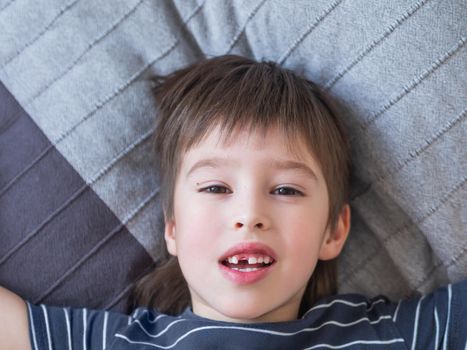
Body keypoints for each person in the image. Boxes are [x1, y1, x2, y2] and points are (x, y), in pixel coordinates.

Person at [0, 55, 465, 349]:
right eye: (216, 188)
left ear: (334, 231)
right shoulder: (124, 342)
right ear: (173, 228)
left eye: (285, 190)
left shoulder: (393, 335)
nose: (249, 216)